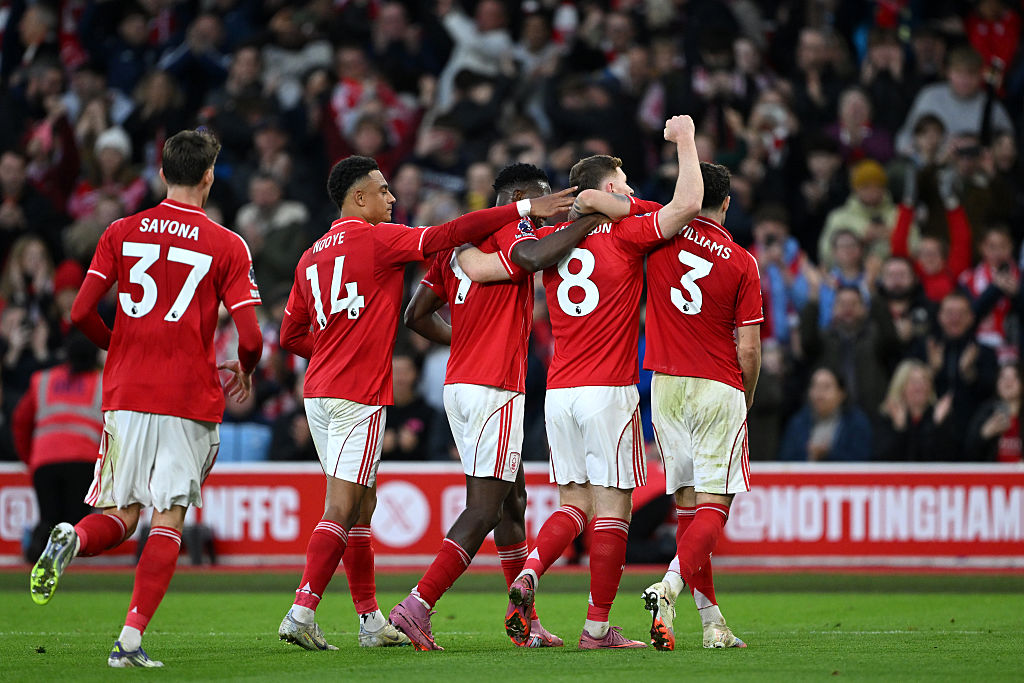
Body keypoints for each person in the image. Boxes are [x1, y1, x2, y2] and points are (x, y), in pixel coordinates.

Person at [275, 155, 574, 651]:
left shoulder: (310, 254)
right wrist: (577, 216)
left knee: (497, 499)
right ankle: (361, 606)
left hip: (339, 388)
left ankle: (375, 620)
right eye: (383, 190)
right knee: (361, 505)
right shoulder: (386, 239)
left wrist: (461, 344)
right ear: (359, 196)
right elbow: (510, 252)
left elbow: (293, 334)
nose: (392, 198)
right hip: (428, 388)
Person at [463, 115, 703, 649]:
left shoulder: (553, 238)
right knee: (612, 509)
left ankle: (528, 572)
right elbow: (687, 204)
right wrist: (685, 140)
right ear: (610, 188)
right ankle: (596, 628)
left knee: (573, 502)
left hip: (560, 393)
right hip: (608, 389)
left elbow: (486, 266)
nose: (633, 192)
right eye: (626, 184)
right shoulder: (625, 232)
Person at [29, 128, 264, 668]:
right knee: (168, 517)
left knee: (121, 511)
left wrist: (121, 347)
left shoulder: (120, 230)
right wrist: (246, 370)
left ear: (162, 173)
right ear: (207, 176)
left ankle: (72, 538)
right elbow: (249, 338)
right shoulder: (226, 243)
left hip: (126, 392)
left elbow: (79, 313)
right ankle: (129, 641)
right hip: (187, 397)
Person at [393, 162, 609, 650]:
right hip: (494, 386)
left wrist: (464, 340)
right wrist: (584, 222)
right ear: (517, 195)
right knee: (485, 509)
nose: (548, 206)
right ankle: (417, 605)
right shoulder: (511, 227)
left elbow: (416, 314)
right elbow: (532, 258)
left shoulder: (456, 246)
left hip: (460, 385)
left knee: (514, 503)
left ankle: (523, 620)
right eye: (543, 198)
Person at [639, 161, 761, 651]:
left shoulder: (662, 235)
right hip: (716, 384)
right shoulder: (741, 261)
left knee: (688, 508)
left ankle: (712, 623)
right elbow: (748, 350)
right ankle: (668, 586)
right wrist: (744, 398)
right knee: (717, 503)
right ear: (727, 203)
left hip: (665, 385)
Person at [12, 330, 104, 562]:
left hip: (45, 461)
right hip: (83, 462)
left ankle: (34, 559)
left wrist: (30, 458)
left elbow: (20, 421)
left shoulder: (42, 380)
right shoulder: (103, 382)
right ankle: (65, 578)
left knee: (49, 519)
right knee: (75, 526)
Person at [778, 367, 872, 461]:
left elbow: (862, 459)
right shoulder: (797, 423)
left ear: (841, 394)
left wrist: (828, 454)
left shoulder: (856, 422)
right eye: (815, 386)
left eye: (826, 387)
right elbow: (786, 458)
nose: (819, 393)